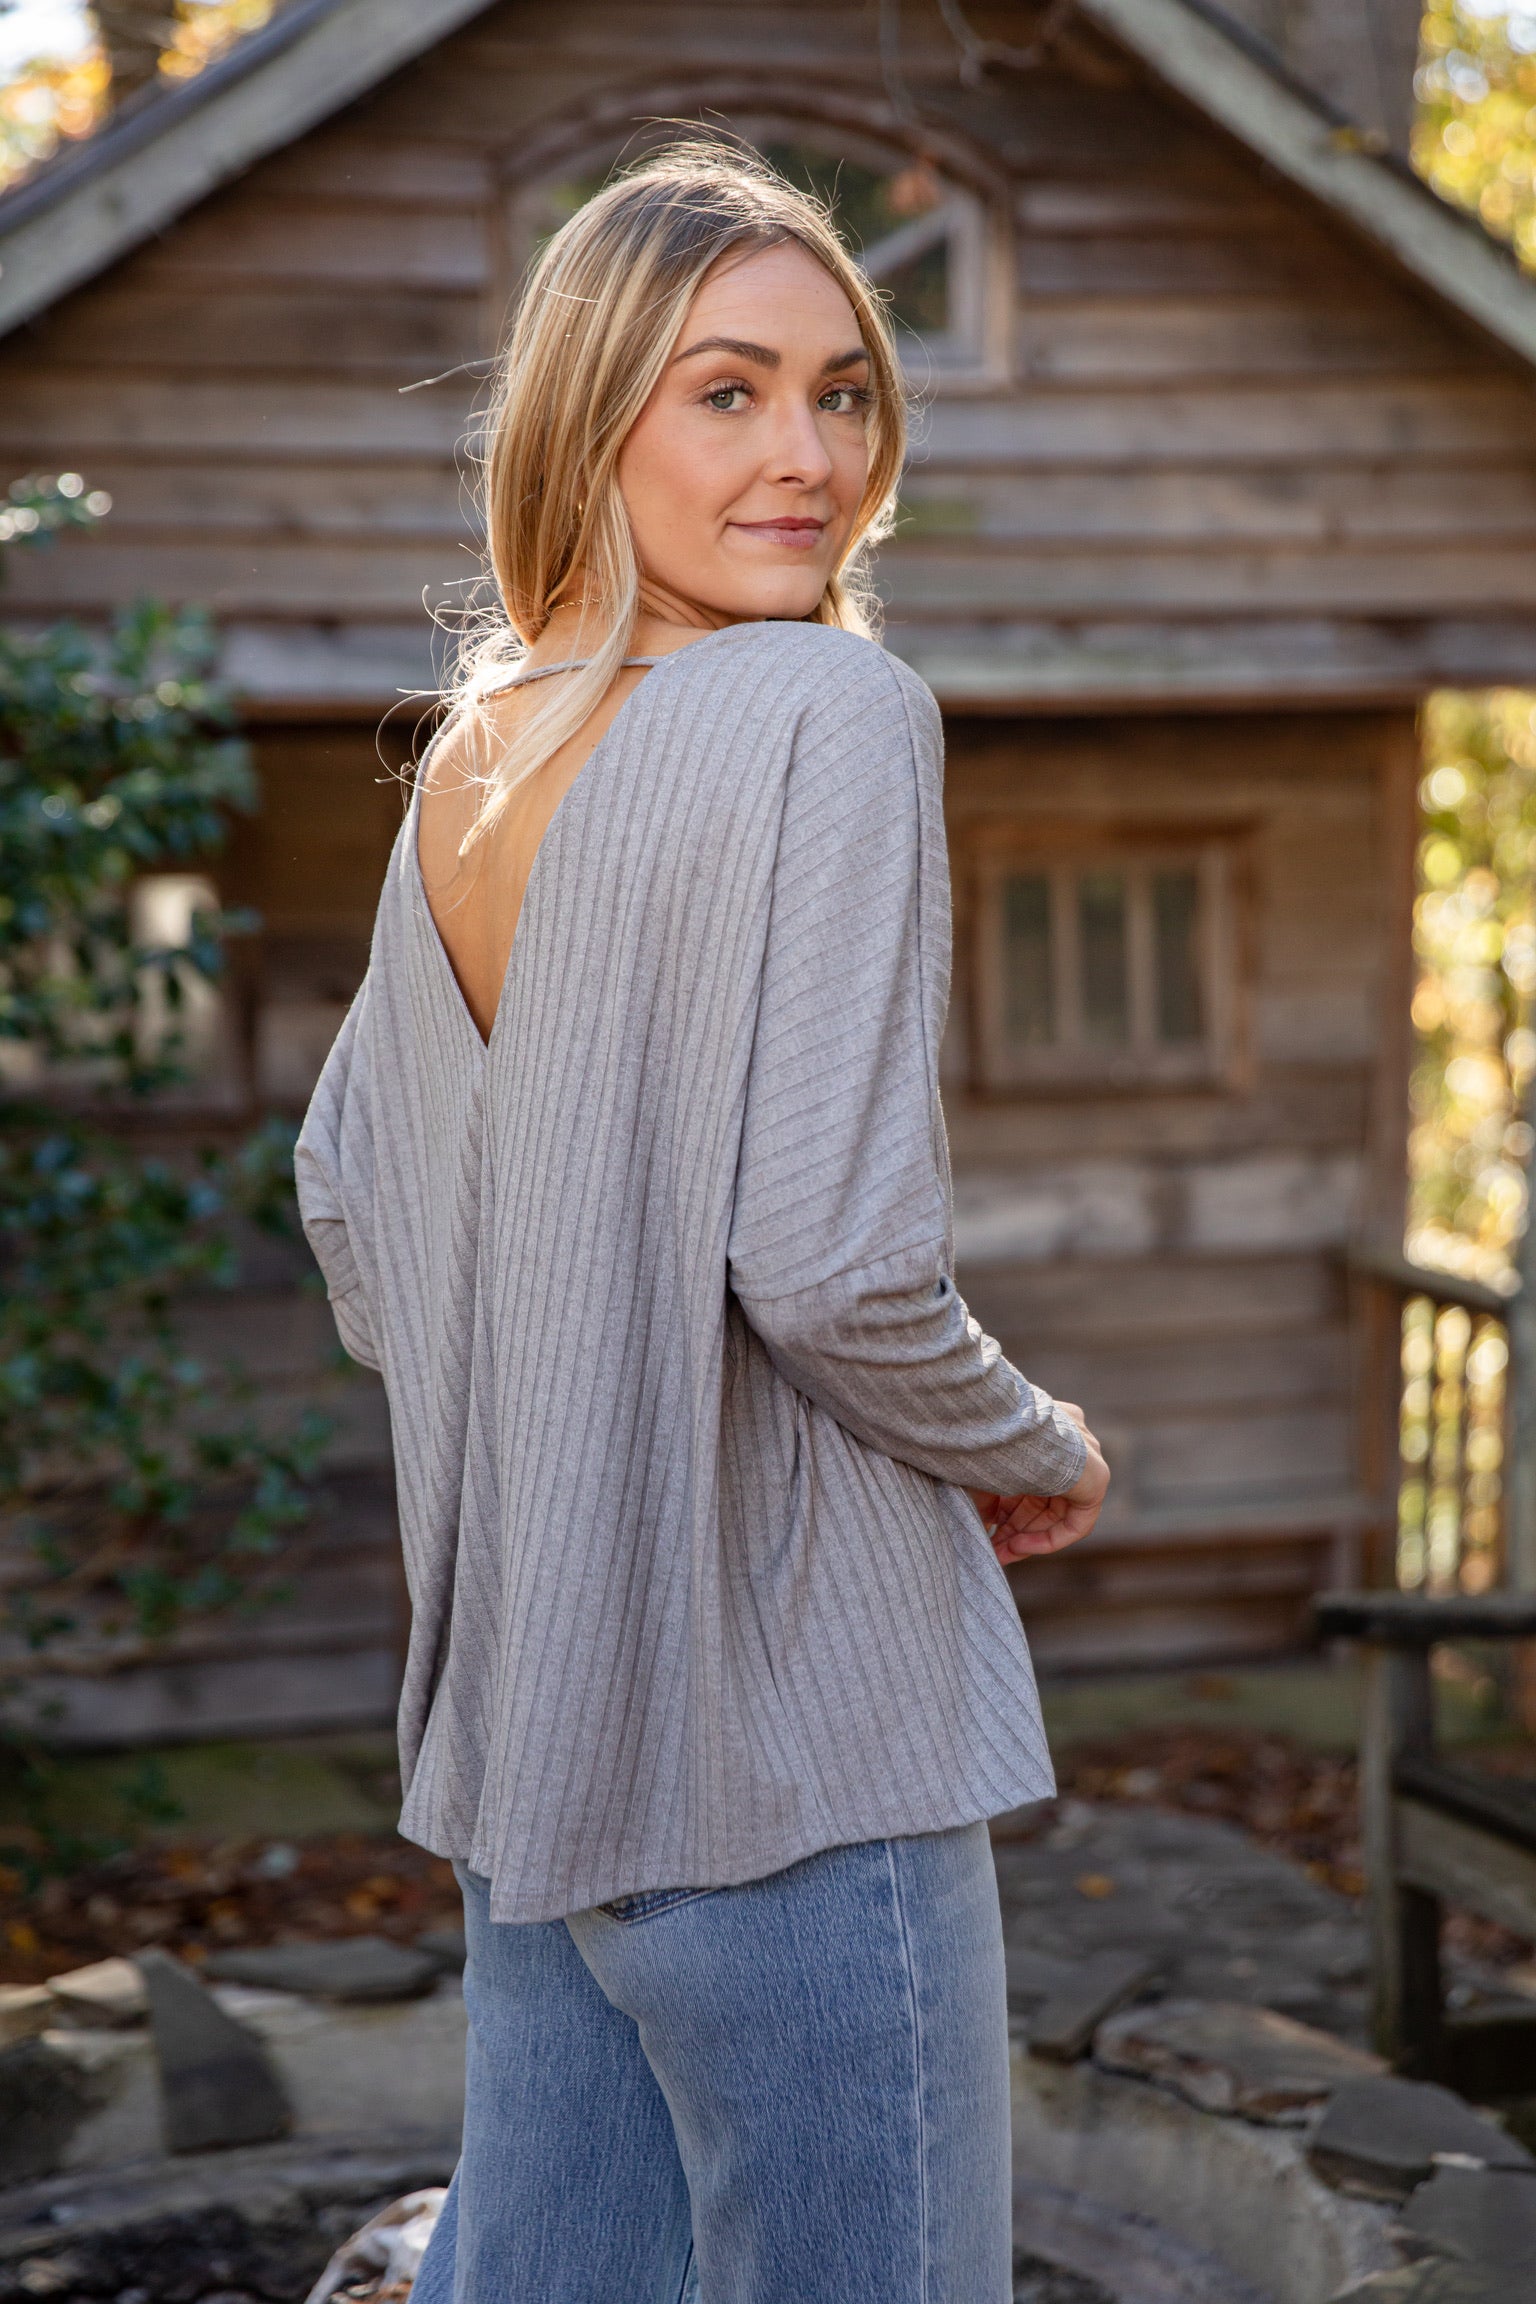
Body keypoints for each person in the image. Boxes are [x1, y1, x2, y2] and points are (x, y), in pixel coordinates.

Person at [296, 142, 1110, 2304]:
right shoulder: (829, 709)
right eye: (727, 392)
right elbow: (833, 1261)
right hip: (785, 1756)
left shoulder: (473, 756)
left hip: (536, 1769)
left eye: (845, 393)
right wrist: (1030, 1444)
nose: (811, 456)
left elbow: (352, 1222)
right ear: (589, 417)